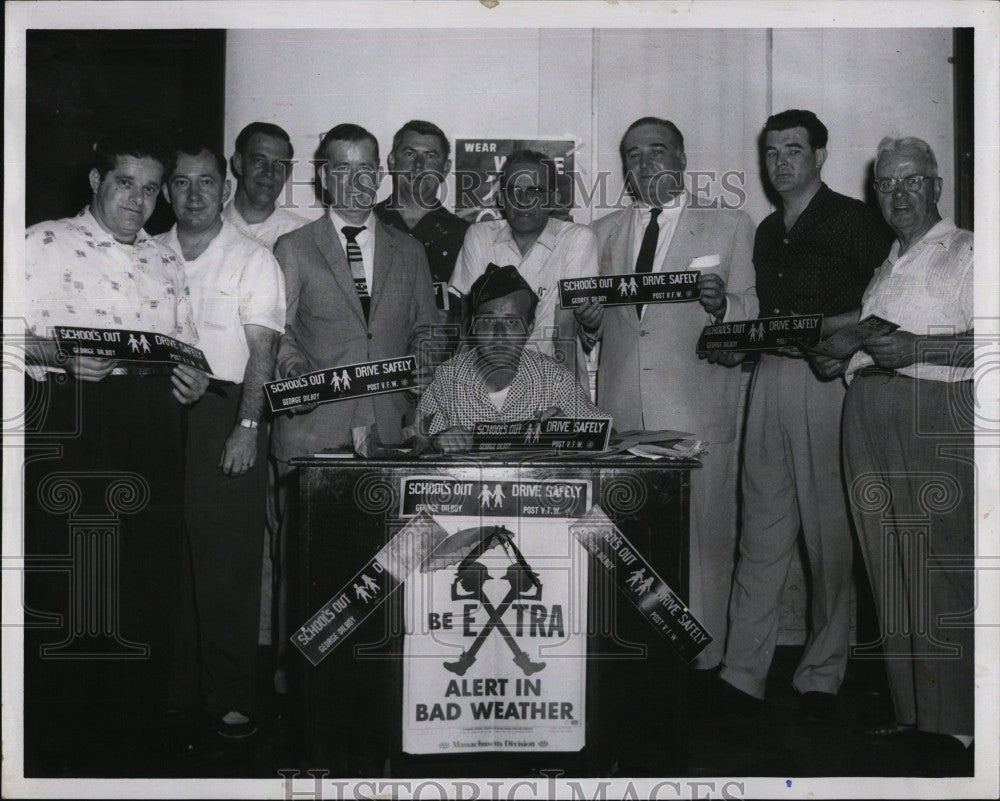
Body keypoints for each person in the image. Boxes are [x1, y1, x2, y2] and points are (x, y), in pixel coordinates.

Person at [22, 127, 209, 773]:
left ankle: (135, 741)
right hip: (73, 420)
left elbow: (186, 343)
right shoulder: (41, 242)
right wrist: (59, 355)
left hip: (152, 422)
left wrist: (196, 378)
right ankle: (59, 743)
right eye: (125, 182)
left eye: (151, 188)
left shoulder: (164, 258)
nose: (139, 198)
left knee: (145, 580)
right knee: (73, 578)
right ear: (97, 182)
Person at [719, 110, 893, 720]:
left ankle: (821, 675)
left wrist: (835, 339)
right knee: (760, 529)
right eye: (771, 152)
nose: (780, 161)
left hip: (829, 381)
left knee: (829, 539)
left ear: (819, 155)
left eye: (793, 149)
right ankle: (741, 673)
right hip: (770, 375)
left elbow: (886, 304)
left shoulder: (855, 220)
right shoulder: (767, 232)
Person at [815, 137, 973, 773]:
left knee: (941, 566)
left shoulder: (968, 250)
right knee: (889, 570)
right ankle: (916, 712)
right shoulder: (888, 264)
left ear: (937, 185)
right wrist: (838, 352)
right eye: (886, 184)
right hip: (867, 417)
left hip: (930, 415)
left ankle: (961, 722)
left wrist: (917, 352)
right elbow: (862, 345)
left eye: (911, 181)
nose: (899, 194)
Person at [270, 123, 438, 689]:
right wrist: (292, 367)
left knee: (384, 567)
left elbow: (425, 329)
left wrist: (421, 359)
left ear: (381, 174)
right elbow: (279, 331)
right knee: (307, 566)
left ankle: (375, 686)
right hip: (314, 429)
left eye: (367, 169)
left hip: (389, 427)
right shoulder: (293, 247)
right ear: (322, 176)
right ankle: (300, 683)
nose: (356, 181)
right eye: (341, 168)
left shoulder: (409, 250)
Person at [588, 116, 758, 670]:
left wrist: (723, 306)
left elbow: (753, 311)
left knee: (704, 544)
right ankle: (640, 660)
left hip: (698, 411)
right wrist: (588, 320)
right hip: (621, 413)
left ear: (683, 159)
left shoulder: (730, 224)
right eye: (633, 155)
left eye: (657, 151)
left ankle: (703, 664)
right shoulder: (602, 231)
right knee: (630, 542)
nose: (645, 164)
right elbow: (598, 328)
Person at [155, 142, 285, 738]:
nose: (195, 194)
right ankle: (176, 691)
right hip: (157, 414)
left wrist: (247, 426)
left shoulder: (252, 259)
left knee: (227, 564)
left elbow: (264, 351)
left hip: (227, 411)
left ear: (224, 189)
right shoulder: (146, 254)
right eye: (181, 183)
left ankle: (231, 696)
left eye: (206, 182)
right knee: (169, 559)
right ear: (166, 192)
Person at [447, 149, 599, 389]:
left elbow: (564, 335)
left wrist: (565, 405)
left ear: (553, 197)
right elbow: (469, 330)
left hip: (552, 382)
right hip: (488, 387)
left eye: (535, 191)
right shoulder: (479, 236)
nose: (523, 200)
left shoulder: (577, 239)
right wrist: (456, 395)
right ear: (501, 198)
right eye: (514, 191)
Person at [418, 264, 606, 452]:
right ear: (474, 325)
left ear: (529, 328)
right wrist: (438, 441)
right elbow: (416, 439)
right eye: (488, 321)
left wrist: (570, 431)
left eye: (511, 322)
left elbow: (607, 435)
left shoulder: (554, 378)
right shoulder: (447, 377)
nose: (499, 334)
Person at [375, 120, 470, 295]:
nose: (419, 164)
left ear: (445, 169)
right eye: (410, 153)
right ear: (393, 161)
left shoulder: (465, 236)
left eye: (430, 156)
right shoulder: (366, 224)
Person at [222, 121, 308, 250]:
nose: (269, 172)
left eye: (279, 164)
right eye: (258, 160)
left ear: (288, 172)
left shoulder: (305, 235)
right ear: (239, 163)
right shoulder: (206, 231)